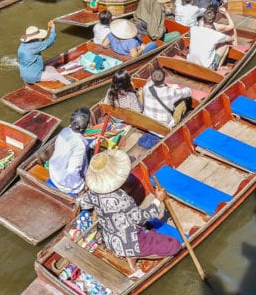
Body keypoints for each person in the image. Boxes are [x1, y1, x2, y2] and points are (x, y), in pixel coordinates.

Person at [78, 149, 179, 279]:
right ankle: (135, 254)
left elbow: (82, 203)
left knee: (150, 227)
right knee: (174, 246)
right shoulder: (120, 198)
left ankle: (132, 254)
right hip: (128, 241)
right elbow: (141, 217)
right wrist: (158, 200)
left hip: (111, 239)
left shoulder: (93, 192)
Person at [48, 108, 92, 195]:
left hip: (53, 172)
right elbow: (73, 171)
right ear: (86, 126)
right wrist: (82, 186)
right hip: (64, 183)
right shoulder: (80, 145)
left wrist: (93, 143)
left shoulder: (65, 131)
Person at [18, 20, 71, 85]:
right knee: (57, 75)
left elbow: (37, 47)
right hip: (33, 76)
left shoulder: (22, 45)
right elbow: (51, 41)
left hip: (24, 74)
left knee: (51, 68)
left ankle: (52, 81)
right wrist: (52, 28)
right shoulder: (35, 46)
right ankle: (70, 84)